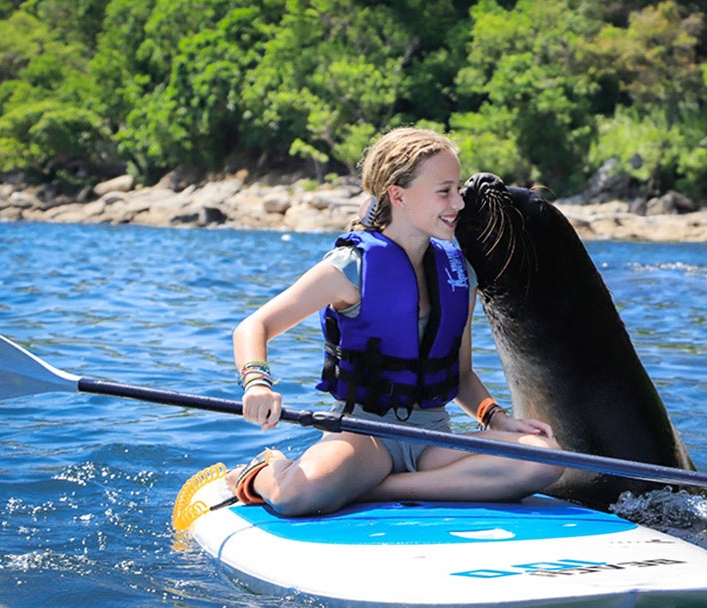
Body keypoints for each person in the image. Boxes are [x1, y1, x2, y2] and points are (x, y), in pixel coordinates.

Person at [228, 127, 563, 516]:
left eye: (457, 190)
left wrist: (498, 419)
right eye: (444, 191)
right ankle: (262, 472)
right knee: (297, 497)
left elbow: (461, 374)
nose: (458, 202)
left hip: (433, 439)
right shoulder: (350, 268)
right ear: (397, 194)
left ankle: (377, 490)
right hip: (364, 438)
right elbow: (253, 326)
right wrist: (256, 382)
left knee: (545, 458)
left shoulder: (458, 272)